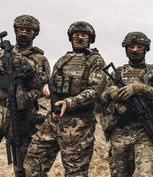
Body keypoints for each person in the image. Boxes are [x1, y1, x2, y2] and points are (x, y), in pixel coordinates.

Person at [24, 21, 107, 177]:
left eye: (84, 35)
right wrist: (46, 87)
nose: (79, 38)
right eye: (76, 35)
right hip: (52, 120)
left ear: (90, 39)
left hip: (78, 125)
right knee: (30, 168)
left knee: (75, 173)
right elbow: (52, 82)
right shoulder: (63, 60)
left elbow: (95, 90)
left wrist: (68, 103)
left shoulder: (94, 60)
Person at [0, 15, 48, 176]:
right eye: (21, 29)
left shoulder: (39, 59)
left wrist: (27, 90)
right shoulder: (0, 53)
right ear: (15, 30)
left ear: (35, 34)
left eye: (29, 30)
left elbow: (43, 89)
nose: (24, 33)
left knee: (27, 169)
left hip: (22, 115)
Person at [100, 31, 153, 177]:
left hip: (145, 132)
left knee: (148, 173)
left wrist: (140, 88)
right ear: (126, 49)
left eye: (139, 47)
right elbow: (101, 100)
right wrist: (110, 91)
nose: (135, 50)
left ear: (145, 49)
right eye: (131, 47)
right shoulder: (116, 73)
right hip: (119, 133)